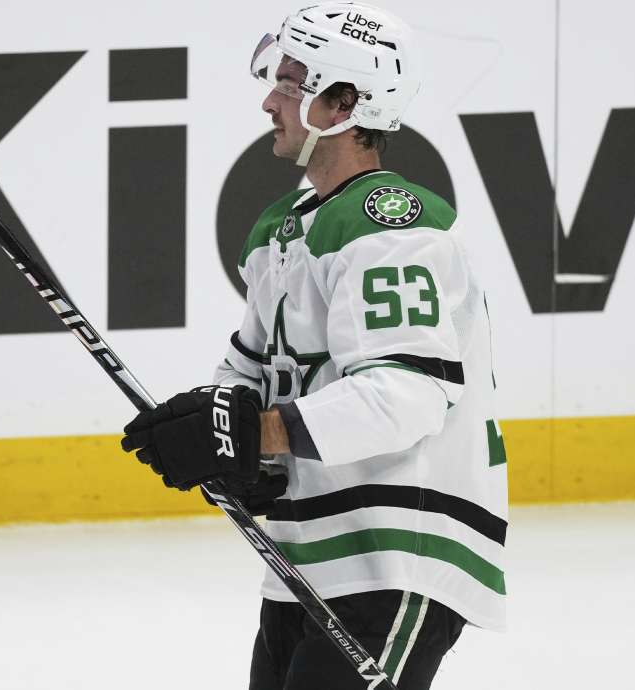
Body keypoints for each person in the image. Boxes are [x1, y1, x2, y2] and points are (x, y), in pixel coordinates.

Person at [120, 3, 508, 688]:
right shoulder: (284, 228)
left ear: (344, 103)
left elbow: (405, 394)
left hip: (396, 552)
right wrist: (222, 435)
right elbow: (249, 370)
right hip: (308, 555)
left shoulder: (392, 229)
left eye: (292, 83)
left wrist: (256, 432)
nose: (271, 101)